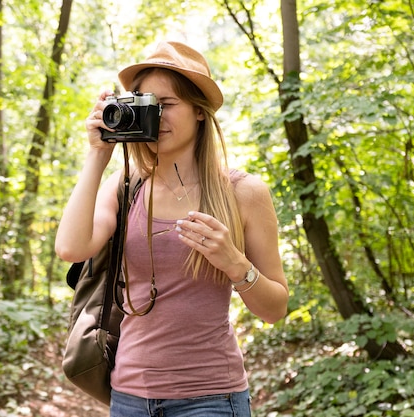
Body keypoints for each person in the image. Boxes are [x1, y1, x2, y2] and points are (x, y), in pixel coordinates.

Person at [55, 41, 288, 417]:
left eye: (168, 104)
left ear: (199, 110)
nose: (157, 116)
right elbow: (70, 247)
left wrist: (234, 263)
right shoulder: (125, 186)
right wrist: (98, 154)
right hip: (129, 396)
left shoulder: (243, 193)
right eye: (147, 104)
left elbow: (275, 309)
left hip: (212, 398)